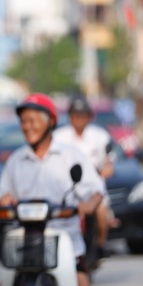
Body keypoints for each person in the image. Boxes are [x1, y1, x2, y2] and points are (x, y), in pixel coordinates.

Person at [0, 93, 125, 286]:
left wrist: (88, 204)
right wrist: (5, 199)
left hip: (65, 241)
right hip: (25, 242)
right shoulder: (16, 160)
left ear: (49, 121)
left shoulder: (70, 156)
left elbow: (95, 190)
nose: (27, 125)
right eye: (23, 121)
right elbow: (2, 194)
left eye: (32, 120)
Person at [54, 96, 115, 260]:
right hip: (68, 188)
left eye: (82, 115)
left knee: (102, 214)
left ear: (89, 116)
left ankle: (101, 245)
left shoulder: (99, 136)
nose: (79, 119)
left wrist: (107, 167)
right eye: (75, 115)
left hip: (92, 187)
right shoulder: (59, 137)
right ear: (70, 117)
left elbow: (108, 159)